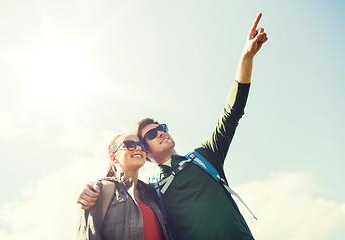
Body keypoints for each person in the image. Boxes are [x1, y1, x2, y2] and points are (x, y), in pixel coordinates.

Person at [77, 13, 268, 239]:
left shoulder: (205, 158)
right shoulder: (151, 192)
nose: (161, 133)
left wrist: (246, 57)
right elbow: (119, 190)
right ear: (145, 151)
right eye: (151, 134)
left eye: (162, 127)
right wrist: (84, 192)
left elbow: (231, 113)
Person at [77, 133, 172, 240]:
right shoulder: (98, 190)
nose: (138, 148)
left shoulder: (152, 193)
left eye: (140, 144)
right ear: (114, 158)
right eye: (130, 144)